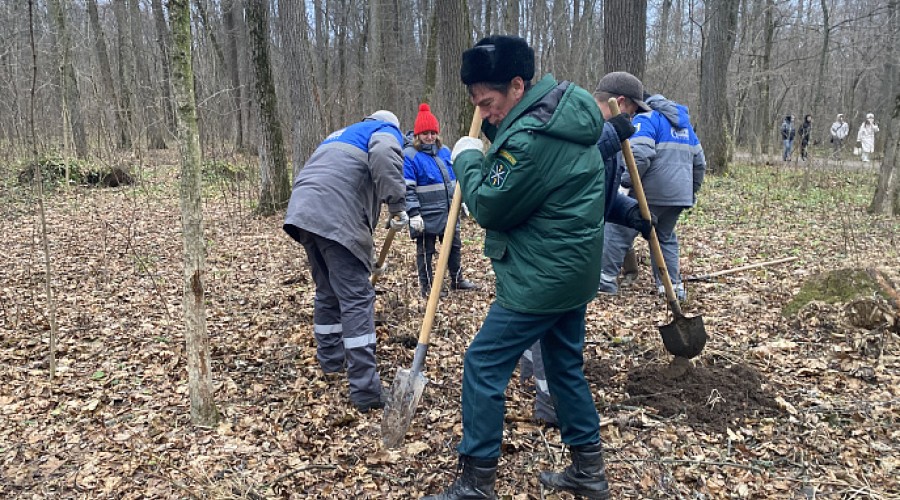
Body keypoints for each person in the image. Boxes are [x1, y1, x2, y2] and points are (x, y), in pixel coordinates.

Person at [421, 35, 651, 500]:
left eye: (489, 103)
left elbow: (488, 205)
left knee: (483, 364)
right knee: (565, 365)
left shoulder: (530, 140)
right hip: (573, 271)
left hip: (541, 277)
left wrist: (465, 156)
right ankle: (589, 470)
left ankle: (475, 482)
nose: (485, 114)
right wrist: (489, 133)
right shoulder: (567, 110)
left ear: (518, 85)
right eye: (479, 106)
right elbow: (529, 162)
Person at [520, 97, 653, 428]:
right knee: (545, 322)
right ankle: (548, 402)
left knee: (551, 323)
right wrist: (610, 136)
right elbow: (569, 167)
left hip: (579, 252)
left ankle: (533, 377)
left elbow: (603, 199)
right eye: (632, 111)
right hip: (552, 246)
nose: (633, 119)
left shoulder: (610, 142)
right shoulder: (579, 127)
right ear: (619, 102)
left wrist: (631, 213)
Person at [283, 110, 408, 413]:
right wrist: (397, 203)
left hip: (303, 211)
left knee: (328, 291)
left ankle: (331, 361)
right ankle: (365, 389)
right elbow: (382, 155)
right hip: (334, 213)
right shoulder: (384, 132)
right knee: (356, 298)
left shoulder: (340, 133)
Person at [595, 72, 707, 302]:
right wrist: (691, 192)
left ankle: (604, 281)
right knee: (664, 238)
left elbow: (639, 154)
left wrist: (624, 184)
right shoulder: (685, 127)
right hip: (678, 195)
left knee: (618, 233)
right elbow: (700, 163)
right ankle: (671, 287)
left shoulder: (647, 119)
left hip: (648, 192)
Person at [403, 103, 478, 298]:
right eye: (425, 133)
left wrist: (461, 200)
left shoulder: (445, 151)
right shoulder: (410, 156)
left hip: (448, 210)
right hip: (425, 214)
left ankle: (457, 279)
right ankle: (428, 287)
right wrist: (413, 213)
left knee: (454, 246)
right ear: (418, 135)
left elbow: (456, 179)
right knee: (425, 252)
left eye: (432, 132)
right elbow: (407, 188)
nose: (429, 136)